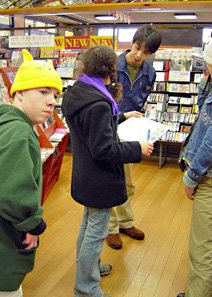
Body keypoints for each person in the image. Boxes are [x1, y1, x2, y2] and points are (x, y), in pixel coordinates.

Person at [61, 45, 154, 297]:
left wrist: (122, 116)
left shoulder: (79, 91)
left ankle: (90, 268)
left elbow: (91, 128)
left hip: (85, 174)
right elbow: (104, 150)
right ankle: (86, 286)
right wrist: (138, 148)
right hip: (99, 178)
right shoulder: (98, 102)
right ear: (110, 69)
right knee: (96, 230)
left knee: (88, 224)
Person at [0, 49, 62, 297]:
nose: (52, 101)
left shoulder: (3, 123)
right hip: (0, 252)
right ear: (19, 93)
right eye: (43, 92)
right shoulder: (18, 133)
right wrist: (34, 223)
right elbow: (10, 193)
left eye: (54, 94)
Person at [106, 24, 161, 250]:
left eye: (146, 53)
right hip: (109, 127)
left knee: (127, 181)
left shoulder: (150, 72)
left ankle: (125, 222)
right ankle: (110, 228)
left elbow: (142, 99)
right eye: (137, 48)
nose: (139, 55)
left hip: (132, 130)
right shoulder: (111, 66)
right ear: (132, 43)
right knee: (110, 178)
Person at [177, 39, 212, 297]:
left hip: (208, 177)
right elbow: (203, 111)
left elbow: (211, 142)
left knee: (201, 248)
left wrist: (192, 176)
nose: (207, 69)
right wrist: (204, 83)